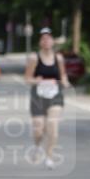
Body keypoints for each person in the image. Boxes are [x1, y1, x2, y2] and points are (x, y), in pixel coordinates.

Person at [25, 27, 70, 169]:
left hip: (55, 95)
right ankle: (38, 146)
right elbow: (27, 78)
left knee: (52, 125)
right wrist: (36, 80)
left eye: (48, 38)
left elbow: (62, 75)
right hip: (38, 96)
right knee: (39, 129)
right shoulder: (34, 58)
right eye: (43, 38)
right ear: (40, 42)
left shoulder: (58, 58)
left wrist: (65, 81)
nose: (46, 41)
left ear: (53, 41)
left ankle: (49, 157)